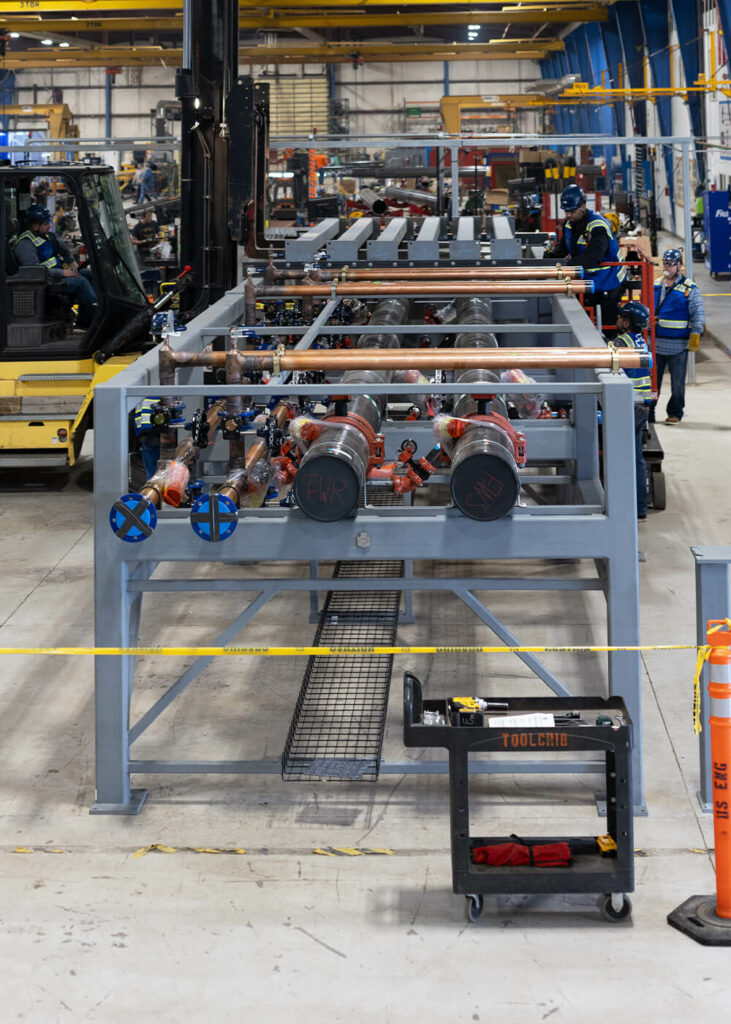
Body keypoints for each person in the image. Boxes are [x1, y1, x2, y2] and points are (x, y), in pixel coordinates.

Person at [545, 184, 627, 331]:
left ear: (583, 205)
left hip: (609, 283)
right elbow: (564, 247)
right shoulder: (569, 225)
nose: (568, 215)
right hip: (589, 282)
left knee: (606, 329)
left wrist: (567, 265)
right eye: (566, 211)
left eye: (572, 211)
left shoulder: (598, 227)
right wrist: (549, 257)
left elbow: (593, 258)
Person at [12, 204, 99, 328]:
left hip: (56, 277)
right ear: (35, 225)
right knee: (81, 282)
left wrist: (70, 261)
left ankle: (84, 320)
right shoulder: (25, 244)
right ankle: (94, 321)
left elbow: (61, 246)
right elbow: (34, 272)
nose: (49, 226)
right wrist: (63, 273)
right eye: (46, 223)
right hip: (45, 282)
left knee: (87, 273)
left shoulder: (47, 236)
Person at [651, 248, 704, 425]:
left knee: (677, 385)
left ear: (679, 266)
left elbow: (698, 313)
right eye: (665, 263)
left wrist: (695, 334)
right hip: (656, 344)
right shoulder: (657, 285)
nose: (667, 267)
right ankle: (649, 412)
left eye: (671, 264)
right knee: (652, 384)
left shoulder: (690, 289)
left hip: (678, 346)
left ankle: (675, 413)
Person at [613, 301, 653, 521]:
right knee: (636, 457)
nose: (617, 319)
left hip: (628, 406)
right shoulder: (640, 341)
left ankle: (620, 508)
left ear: (627, 322)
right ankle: (639, 508)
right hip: (642, 405)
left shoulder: (621, 342)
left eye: (620, 317)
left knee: (619, 457)